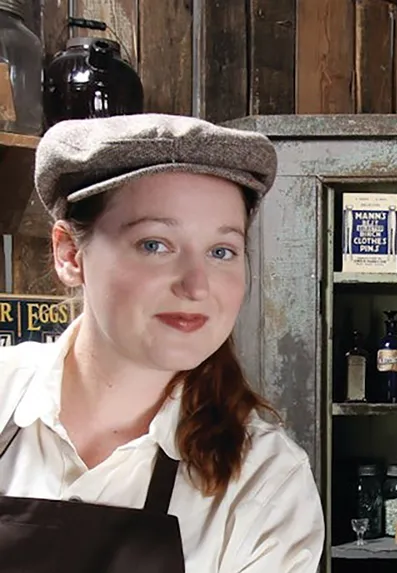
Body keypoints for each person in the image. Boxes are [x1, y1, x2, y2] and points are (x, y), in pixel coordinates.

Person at [0, 114, 325, 572]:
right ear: (71, 254)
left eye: (221, 252)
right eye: (155, 244)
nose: (196, 286)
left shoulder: (264, 483)